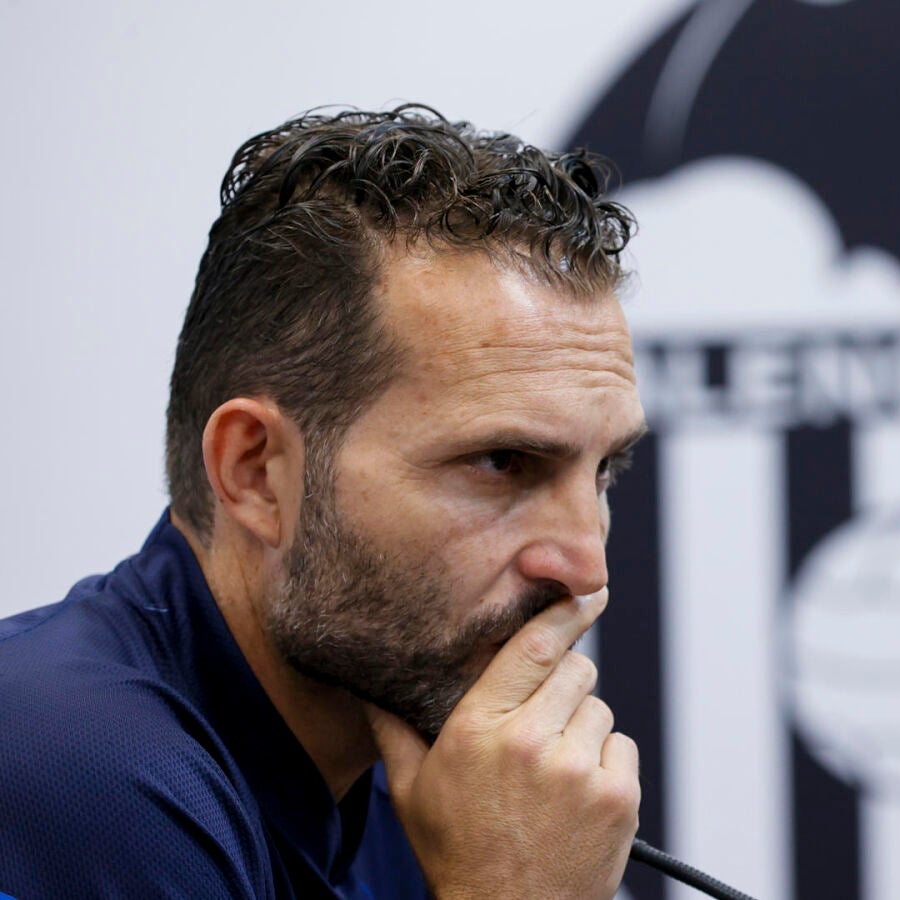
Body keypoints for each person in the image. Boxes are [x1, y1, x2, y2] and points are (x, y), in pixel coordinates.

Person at [0, 105, 648, 898]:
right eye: (501, 463)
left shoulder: (436, 793)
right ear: (256, 472)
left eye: (604, 471)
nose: (586, 568)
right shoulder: (71, 773)